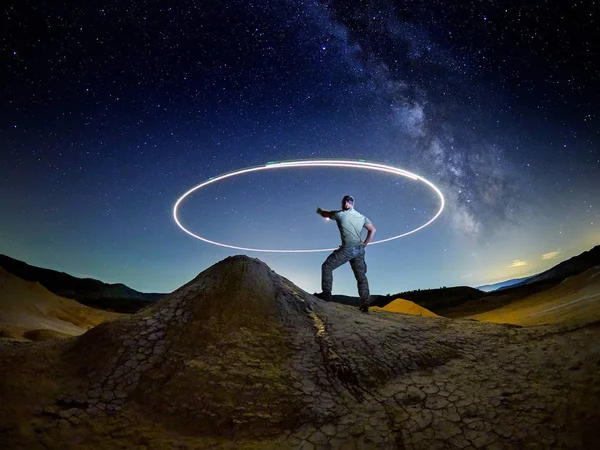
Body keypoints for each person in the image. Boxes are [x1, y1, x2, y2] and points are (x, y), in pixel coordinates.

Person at [315, 195, 376, 313]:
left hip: (348, 249)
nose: (343, 205)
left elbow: (326, 214)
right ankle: (365, 303)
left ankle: (326, 294)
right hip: (359, 250)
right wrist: (365, 243)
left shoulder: (340, 214)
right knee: (361, 277)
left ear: (346, 203)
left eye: (343, 203)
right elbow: (372, 229)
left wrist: (319, 211)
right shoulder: (361, 217)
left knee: (327, 266)